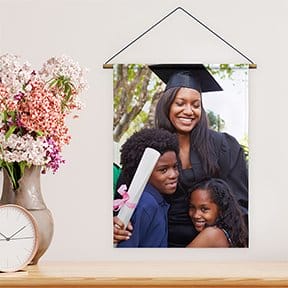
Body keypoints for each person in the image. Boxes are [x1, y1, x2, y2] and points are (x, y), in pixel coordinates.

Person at [114, 64, 248, 247]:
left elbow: (240, 204)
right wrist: (117, 223)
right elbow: (124, 197)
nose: (188, 111)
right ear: (167, 105)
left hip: (210, 244)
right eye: (180, 103)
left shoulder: (223, 146)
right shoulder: (149, 146)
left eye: (195, 105)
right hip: (160, 240)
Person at [114, 128, 179, 247]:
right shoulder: (146, 205)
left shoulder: (158, 201)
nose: (174, 175)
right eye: (163, 170)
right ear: (142, 171)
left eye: (175, 167)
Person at [186, 178, 247, 248]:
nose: (196, 215)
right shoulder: (227, 233)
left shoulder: (212, 233)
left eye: (204, 209)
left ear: (221, 209)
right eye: (192, 207)